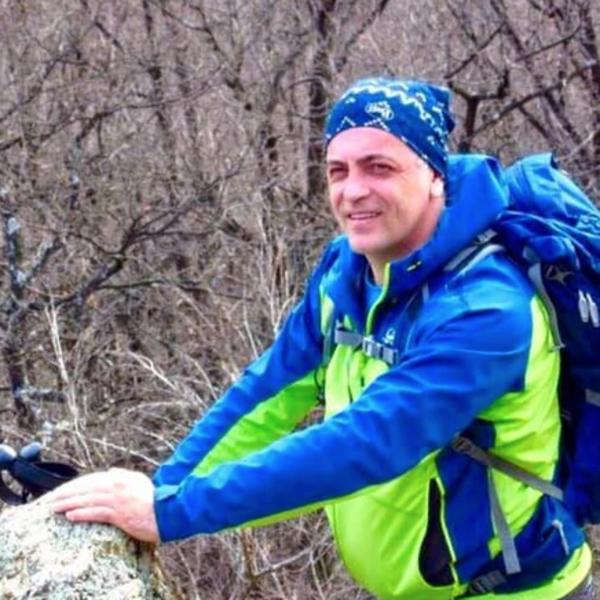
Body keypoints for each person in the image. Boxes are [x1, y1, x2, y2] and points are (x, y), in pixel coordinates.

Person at [48, 78, 594, 599]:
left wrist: (173, 512)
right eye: (338, 170)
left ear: (435, 174)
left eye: (380, 167)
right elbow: (269, 392)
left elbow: (366, 444)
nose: (353, 191)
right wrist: (162, 490)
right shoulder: (348, 273)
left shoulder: (486, 311)